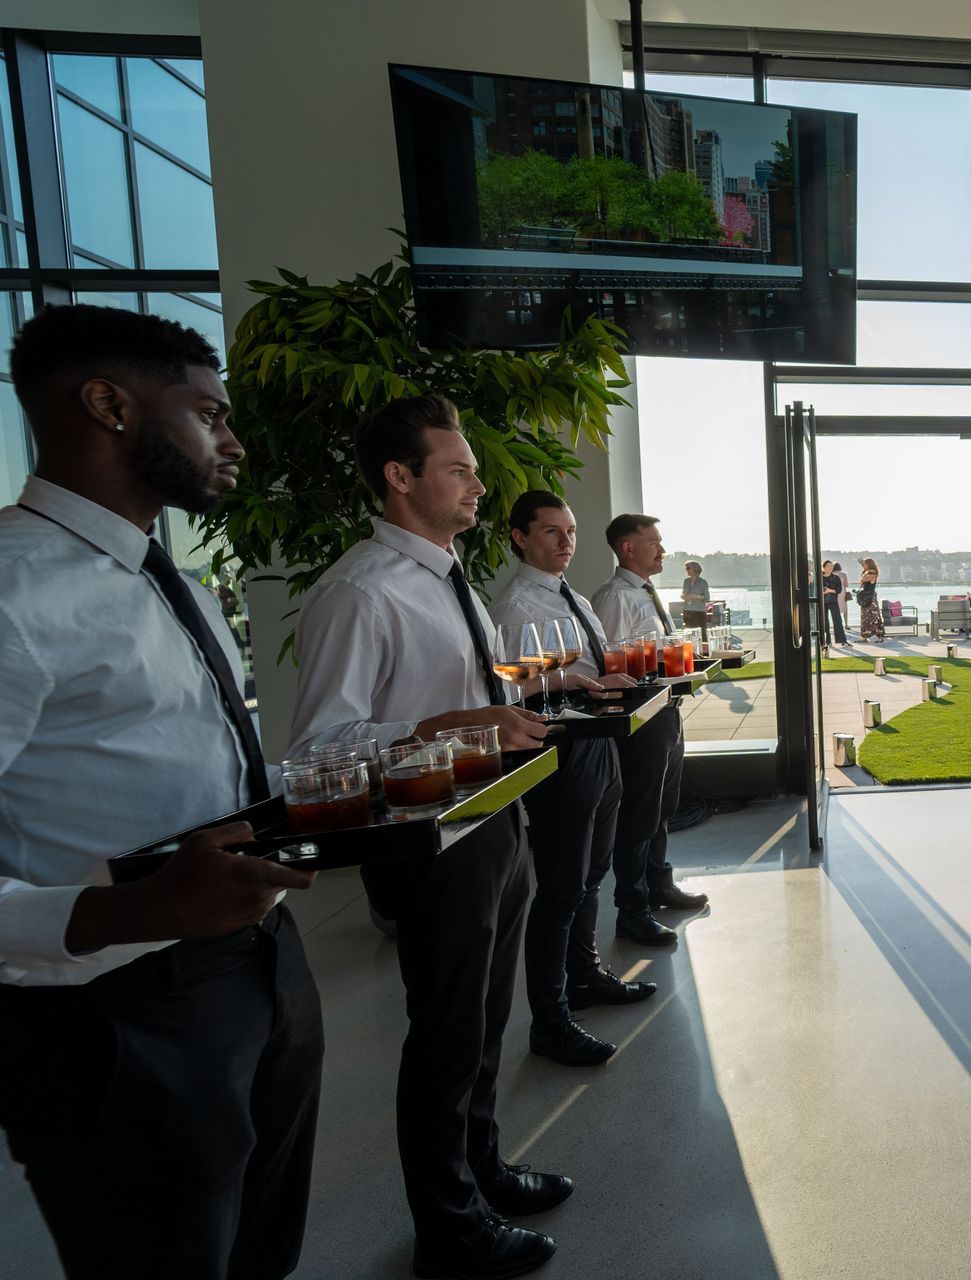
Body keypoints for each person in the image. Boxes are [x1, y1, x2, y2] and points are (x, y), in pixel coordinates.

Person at [0, 304, 324, 1280]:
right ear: (108, 405)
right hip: (118, 1011)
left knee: (260, 1248)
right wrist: (132, 906)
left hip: (256, 963)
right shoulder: (15, 590)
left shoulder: (155, 571)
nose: (231, 440)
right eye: (210, 414)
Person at [287, 394, 565, 1278]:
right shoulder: (361, 591)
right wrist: (446, 724)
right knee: (446, 1032)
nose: (481, 484)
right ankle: (448, 1223)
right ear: (399, 477)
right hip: (431, 841)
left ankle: (482, 1169)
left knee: (486, 1020)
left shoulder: (450, 579)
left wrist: (512, 715)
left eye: (475, 469)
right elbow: (321, 747)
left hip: (494, 817)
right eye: (460, 468)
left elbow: (484, 702)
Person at [492, 491, 656, 1068]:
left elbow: (593, 661)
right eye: (550, 533)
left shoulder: (575, 597)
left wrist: (616, 671)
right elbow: (512, 687)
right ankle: (550, 1019)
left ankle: (584, 976)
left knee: (592, 873)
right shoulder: (517, 607)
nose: (565, 543)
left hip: (599, 742)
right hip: (562, 748)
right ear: (520, 538)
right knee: (561, 887)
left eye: (570, 531)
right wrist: (575, 685)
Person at [590, 514, 711, 951]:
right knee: (640, 811)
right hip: (640, 717)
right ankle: (633, 909)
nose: (662, 550)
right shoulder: (613, 599)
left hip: (666, 707)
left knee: (663, 804)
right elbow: (608, 663)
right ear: (627, 548)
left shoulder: (644, 591)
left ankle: (660, 884)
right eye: (654, 543)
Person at [679, 559, 712, 641]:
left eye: (688, 568)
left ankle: (704, 652)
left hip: (699, 612)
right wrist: (684, 596)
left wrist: (695, 596)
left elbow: (707, 598)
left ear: (695, 569)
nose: (686, 570)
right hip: (687, 611)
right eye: (686, 568)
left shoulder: (703, 582)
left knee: (701, 635)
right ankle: (691, 652)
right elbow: (684, 594)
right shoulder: (686, 581)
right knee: (689, 634)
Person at [820, 558, 848, 647]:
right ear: (823, 567)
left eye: (831, 566)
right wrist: (823, 592)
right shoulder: (819, 578)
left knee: (837, 621)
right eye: (828, 566)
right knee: (824, 622)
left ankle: (843, 641)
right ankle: (827, 641)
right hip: (822, 602)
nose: (830, 567)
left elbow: (839, 589)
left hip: (833, 602)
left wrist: (830, 591)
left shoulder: (836, 578)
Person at [857, 557, 884, 643]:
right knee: (865, 617)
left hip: (870, 598)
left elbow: (863, 579)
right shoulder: (868, 572)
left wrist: (865, 573)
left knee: (875, 617)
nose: (863, 566)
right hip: (866, 597)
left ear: (868, 564)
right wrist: (865, 572)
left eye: (864, 564)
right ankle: (864, 637)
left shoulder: (873, 573)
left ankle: (879, 637)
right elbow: (862, 580)